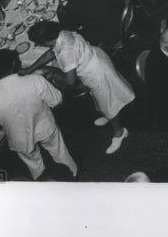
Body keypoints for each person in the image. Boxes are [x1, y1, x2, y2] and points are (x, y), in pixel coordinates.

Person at [24, 21, 134, 155]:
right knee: (103, 99)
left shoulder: (65, 53)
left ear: (46, 41)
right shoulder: (62, 34)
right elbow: (51, 54)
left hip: (96, 73)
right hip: (95, 58)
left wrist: (54, 74)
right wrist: (30, 68)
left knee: (107, 103)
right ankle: (108, 115)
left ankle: (119, 132)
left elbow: (70, 81)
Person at [0, 49, 77, 180]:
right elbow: (57, 100)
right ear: (16, 64)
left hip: (19, 139)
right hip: (45, 128)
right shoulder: (35, 80)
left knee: (34, 164)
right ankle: (71, 174)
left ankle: (43, 183)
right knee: (59, 152)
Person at [52, 0, 121, 50]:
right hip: (121, 17)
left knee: (78, 36)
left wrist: (60, 13)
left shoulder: (70, 9)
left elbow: (72, 28)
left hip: (111, 36)